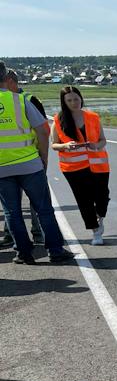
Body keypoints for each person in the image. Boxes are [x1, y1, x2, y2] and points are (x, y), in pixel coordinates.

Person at [0, 61, 74, 265]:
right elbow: (42, 130)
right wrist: (43, 157)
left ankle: (23, 253)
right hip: (29, 164)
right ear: (6, 77)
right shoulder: (20, 100)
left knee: (12, 212)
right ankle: (55, 251)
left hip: (1, 169)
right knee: (44, 209)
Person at [49, 86, 110, 246]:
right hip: (73, 168)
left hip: (98, 165)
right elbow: (54, 144)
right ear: (64, 102)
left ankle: (99, 216)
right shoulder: (58, 120)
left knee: (102, 196)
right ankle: (95, 231)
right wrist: (65, 146)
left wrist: (96, 145)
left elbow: (103, 140)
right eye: (69, 100)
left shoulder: (93, 117)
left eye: (76, 99)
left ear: (81, 98)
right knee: (84, 200)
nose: (74, 103)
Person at [1, 69, 46, 247]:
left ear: (11, 81)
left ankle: (37, 233)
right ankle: (11, 236)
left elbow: (43, 130)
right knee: (11, 207)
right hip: (14, 160)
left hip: (29, 158)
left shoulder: (28, 99)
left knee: (34, 203)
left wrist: (42, 156)